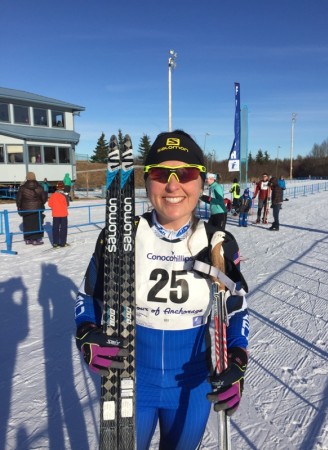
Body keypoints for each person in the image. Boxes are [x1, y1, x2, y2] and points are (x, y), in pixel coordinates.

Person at [74, 130, 249, 450]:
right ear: (145, 181)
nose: (172, 184)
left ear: (201, 182)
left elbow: (236, 307)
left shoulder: (217, 241)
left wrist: (237, 360)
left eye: (185, 173)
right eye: (159, 173)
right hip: (129, 379)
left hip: (191, 387)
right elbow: (88, 296)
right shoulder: (120, 235)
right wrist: (86, 330)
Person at [16, 172, 46, 245]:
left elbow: (18, 199)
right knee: (37, 224)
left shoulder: (22, 188)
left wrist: (19, 206)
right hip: (37, 209)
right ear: (35, 177)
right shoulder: (40, 187)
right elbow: (44, 198)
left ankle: (28, 239)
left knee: (27, 223)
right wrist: (41, 203)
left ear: (27, 178)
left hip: (26, 209)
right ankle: (36, 239)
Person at [48, 181, 70, 247]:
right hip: (63, 214)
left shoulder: (53, 195)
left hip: (55, 214)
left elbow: (49, 204)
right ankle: (63, 243)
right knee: (63, 228)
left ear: (57, 187)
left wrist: (55, 207)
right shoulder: (64, 196)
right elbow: (67, 204)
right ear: (63, 188)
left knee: (55, 228)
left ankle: (55, 243)